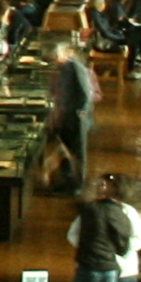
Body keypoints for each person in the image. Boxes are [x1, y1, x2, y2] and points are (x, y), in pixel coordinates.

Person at [40, 37, 97, 191]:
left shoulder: (75, 67)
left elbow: (86, 93)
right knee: (65, 150)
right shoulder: (59, 69)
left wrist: (80, 113)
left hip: (76, 118)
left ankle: (78, 185)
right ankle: (67, 181)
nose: (52, 60)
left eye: (54, 56)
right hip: (63, 116)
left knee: (78, 152)